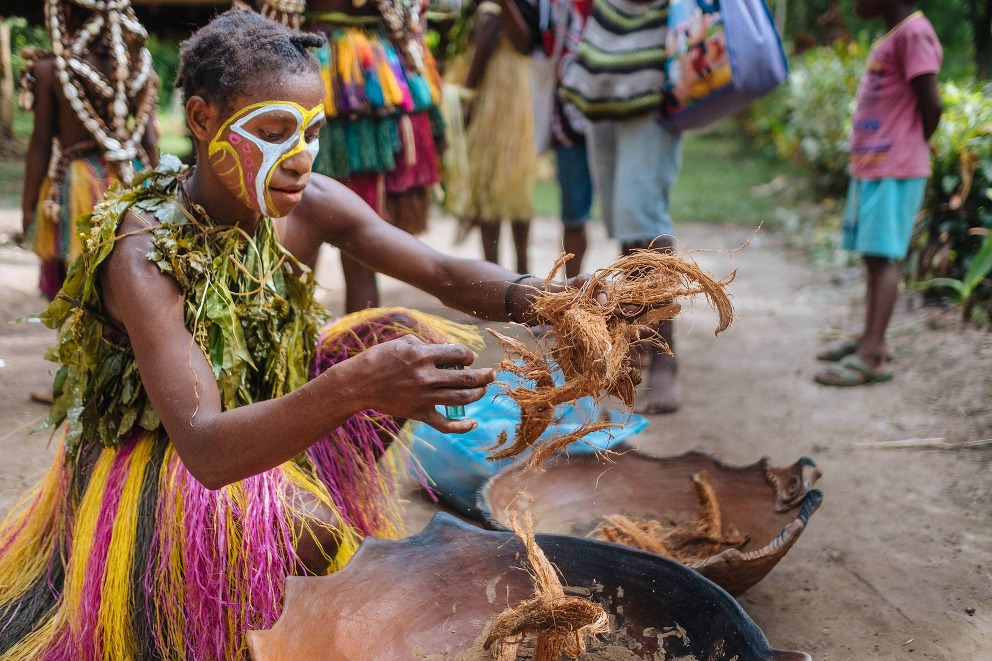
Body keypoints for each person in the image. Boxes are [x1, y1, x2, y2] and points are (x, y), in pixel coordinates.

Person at [0, 11, 577, 659]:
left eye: (312, 132)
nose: (299, 158)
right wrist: (354, 385)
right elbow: (207, 451)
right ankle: (222, 577)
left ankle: (284, 516)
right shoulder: (144, 250)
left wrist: (557, 301)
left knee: (403, 335)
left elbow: (442, 271)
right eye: (272, 132)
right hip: (169, 456)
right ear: (200, 119)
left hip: (253, 426)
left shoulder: (312, 202)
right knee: (314, 530)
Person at [561, 0, 682, 414]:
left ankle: (665, 359)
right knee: (625, 222)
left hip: (654, 72)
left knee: (645, 220)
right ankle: (637, 339)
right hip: (604, 76)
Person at [815, 0, 941, 387]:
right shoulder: (895, 35)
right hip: (876, 167)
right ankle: (872, 338)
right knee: (873, 256)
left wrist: (910, 147)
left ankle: (872, 354)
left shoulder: (915, 33)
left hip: (894, 168)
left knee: (883, 256)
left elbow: (931, 104)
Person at [301, 0, 446, 313]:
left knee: (349, 235)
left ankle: (360, 350)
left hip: (360, 78)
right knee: (316, 227)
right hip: (354, 75)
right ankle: (347, 348)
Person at [19, 0, 159, 302]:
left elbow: (41, 144)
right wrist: (162, 195)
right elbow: (149, 137)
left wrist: (29, 206)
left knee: (78, 294)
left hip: (77, 185)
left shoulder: (49, 70)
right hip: (132, 180)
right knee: (136, 278)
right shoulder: (135, 64)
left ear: (64, 12)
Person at [501, 0, 593, 279]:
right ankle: (574, 300)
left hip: (616, 114)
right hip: (568, 117)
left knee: (631, 222)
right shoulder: (551, 6)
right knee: (574, 216)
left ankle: (638, 307)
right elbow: (531, 43)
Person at [445, 0, 538, 274]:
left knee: (500, 191)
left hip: (501, 105)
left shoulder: (498, 12)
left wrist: (467, 95)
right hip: (506, 103)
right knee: (497, 191)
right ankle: (501, 270)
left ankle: (513, 270)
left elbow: (522, 42)